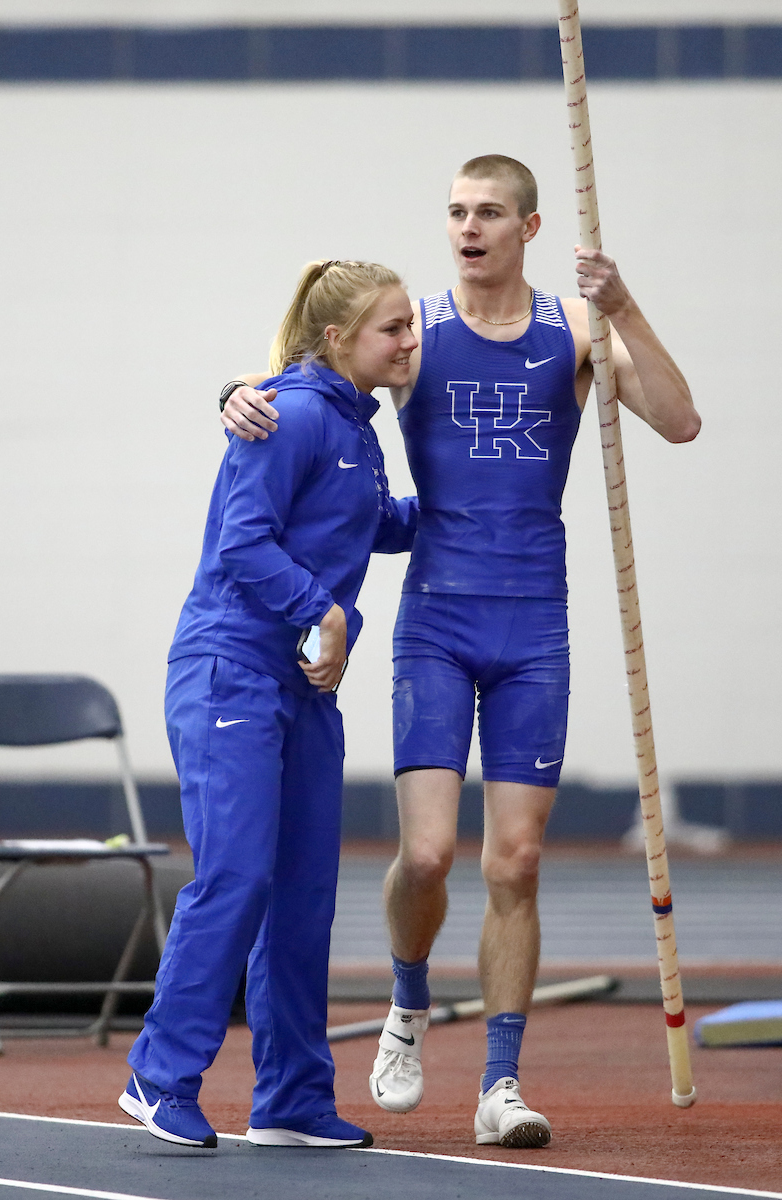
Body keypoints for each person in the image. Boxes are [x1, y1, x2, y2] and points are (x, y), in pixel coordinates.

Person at [220, 155, 701, 1150]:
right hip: (437, 618)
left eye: (487, 212)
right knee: (429, 856)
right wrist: (232, 392)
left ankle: (499, 1083)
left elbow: (678, 419)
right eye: (453, 212)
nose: (466, 227)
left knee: (514, 861)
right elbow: (312, 378)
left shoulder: (572, 329)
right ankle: (405, 1006)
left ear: (527, 228)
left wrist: (625, 306)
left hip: (534, 624)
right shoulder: (417, 337)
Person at [119, 259, 418, 1151]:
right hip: (230, 675)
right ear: (337, 339)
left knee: (302, 896)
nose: (410, 341)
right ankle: (158, 1075)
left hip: (302, 687)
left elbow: (372, 521)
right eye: (392, 329)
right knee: (237, 877)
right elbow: (242, 543)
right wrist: (324, 612)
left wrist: (478, 504)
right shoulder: (283, 413)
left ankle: (289, 1096)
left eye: (410, 324)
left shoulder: (355, 428)